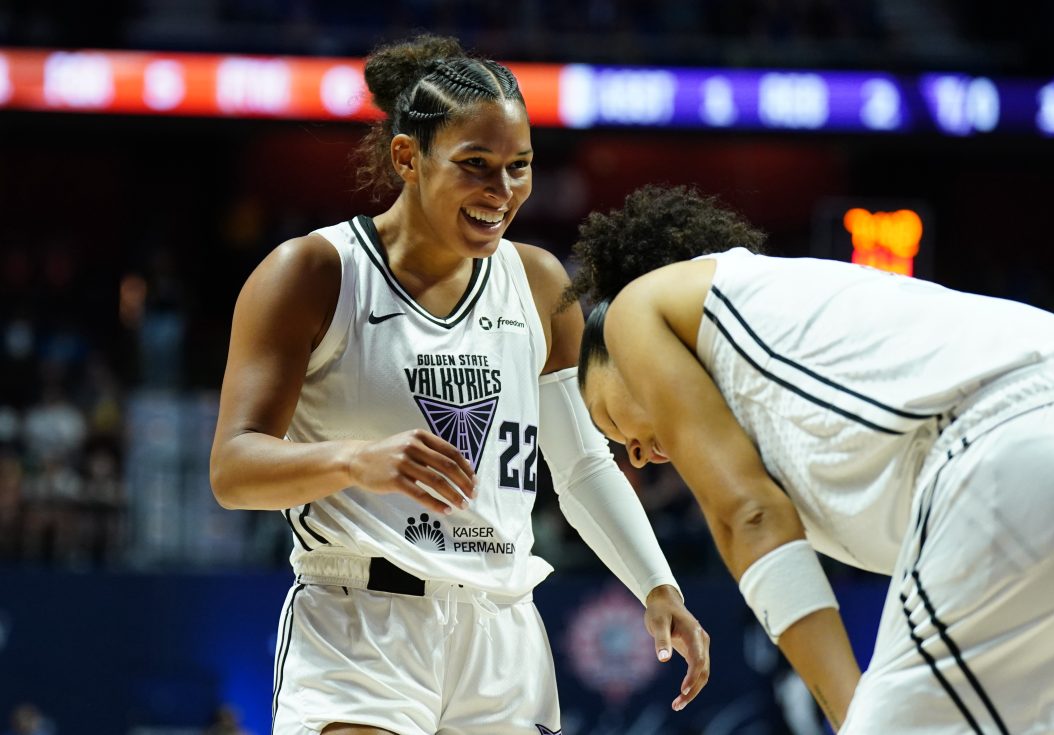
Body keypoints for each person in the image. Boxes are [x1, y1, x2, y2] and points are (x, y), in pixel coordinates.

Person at [209, 37, 710, 735]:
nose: (501, 193)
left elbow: (582, 463)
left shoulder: (537, 282)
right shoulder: (313, 272)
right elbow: (233, 468)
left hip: (501, 631)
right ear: (408, 158)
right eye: (476, 166)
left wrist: (657, 583)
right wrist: (356, 458)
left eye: (519, 168)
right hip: (361, 623)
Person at [567, 184, 1054, 734]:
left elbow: (747, 516)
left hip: (1016, 442)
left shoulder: (634, 308)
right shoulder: (785, 352)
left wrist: (854, 718)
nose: (636, 452)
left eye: (609, 419)